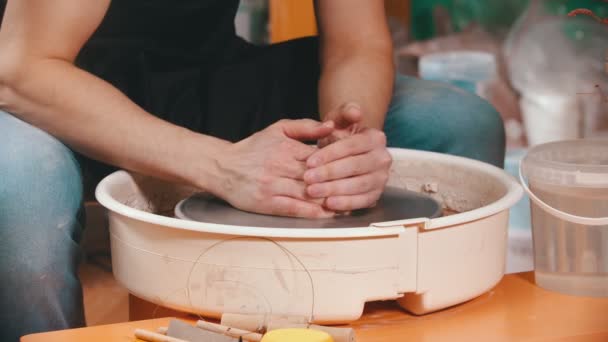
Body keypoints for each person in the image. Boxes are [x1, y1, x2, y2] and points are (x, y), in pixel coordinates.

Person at [0, 0, 505, 340]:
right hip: (52, 88)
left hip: (203, 72)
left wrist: (347, 147)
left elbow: (357, 44)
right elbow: (21, 69)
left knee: (454, 123)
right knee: (16, 180)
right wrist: (222, 166)